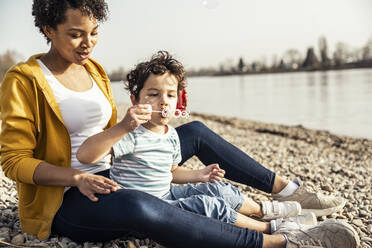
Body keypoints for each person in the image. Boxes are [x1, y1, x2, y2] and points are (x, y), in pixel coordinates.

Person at [0, 0, 359, 247]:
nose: (87, 43)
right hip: (67, 199)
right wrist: (77, 177)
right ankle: (280, 241)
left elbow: (113, 133)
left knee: (195, 132)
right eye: (75, 34)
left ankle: (287, 191)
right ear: (48, 28)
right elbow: (14, 162)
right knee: (139, 205)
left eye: (93, 32)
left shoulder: (93, 70)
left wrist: (148, 141)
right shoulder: (24, 79)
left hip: (115, 169)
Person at [77, 51, 315, 234]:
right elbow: (85, 155)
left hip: (167, 193)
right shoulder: (130, 135)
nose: (163, 102)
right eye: (153, 94)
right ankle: (270, 228)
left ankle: (265, 210)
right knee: (207, 204)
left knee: (218, 189)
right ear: (134, 99)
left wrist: (199, 174)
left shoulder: (170, 134)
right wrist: (121, 127)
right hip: (149, 209)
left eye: (170, 95)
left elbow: (170, 171)